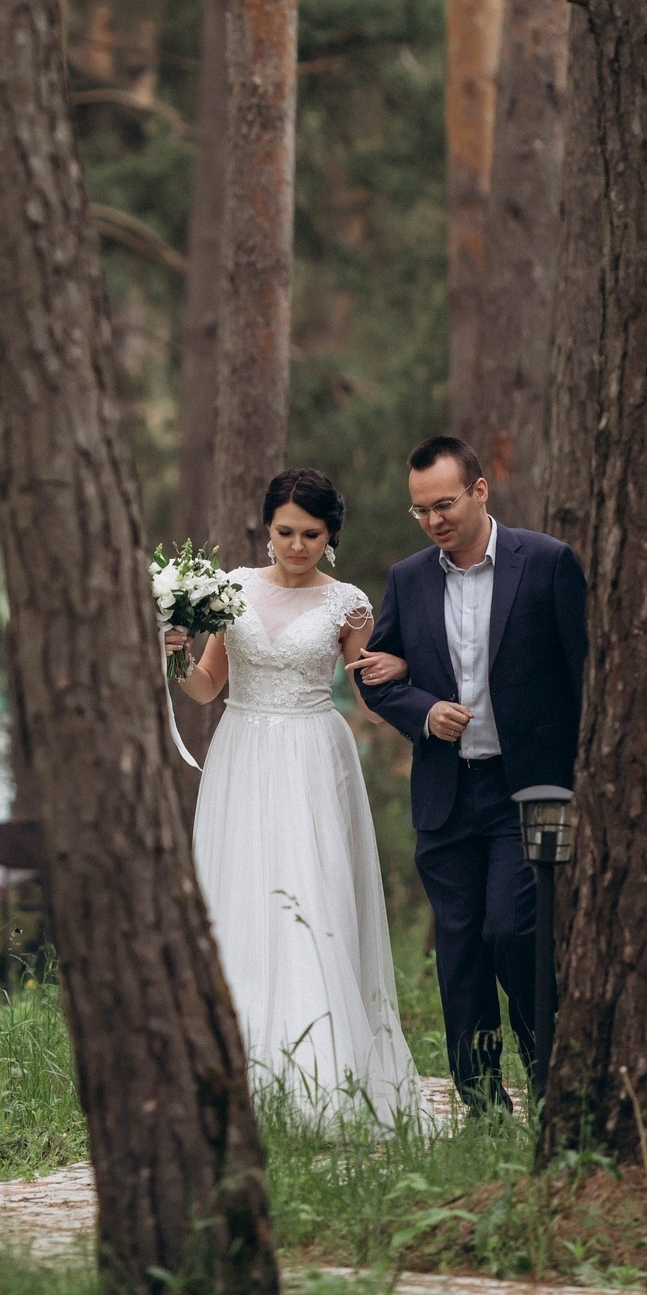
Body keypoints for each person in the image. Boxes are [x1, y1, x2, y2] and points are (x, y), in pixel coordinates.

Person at [166, 468, 424, 1131]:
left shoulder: (349, 604)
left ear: (330, 535)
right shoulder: (232, 589)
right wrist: (173, 655)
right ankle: (236, 1070)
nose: (297, 544)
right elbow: (204, 687)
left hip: (315, 754)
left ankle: (324, 1076)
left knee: (312, 895)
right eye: (285, 531)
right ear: (267, 527)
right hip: (243, 749)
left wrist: (404, 672)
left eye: (311, 533)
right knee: (244, 895)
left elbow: (370, 694)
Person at [348, 436, 586, 1114]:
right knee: (458, 955)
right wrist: (425, 710)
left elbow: (583, 677)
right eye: (420, 510)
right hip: (446, 795)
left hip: (528, 791)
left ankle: (550, 1083)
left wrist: (580, 783)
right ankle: (482, 1108)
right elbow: (376, 674)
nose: (433, 520)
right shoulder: (408, 577)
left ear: (480, 491)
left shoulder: (545, 563)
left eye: (444, 504)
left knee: (511, 932)